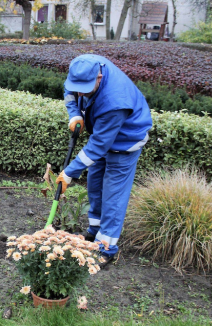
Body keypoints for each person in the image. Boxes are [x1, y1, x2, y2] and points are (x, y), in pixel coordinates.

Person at [56, 54, 153, 268]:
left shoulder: (114, 102)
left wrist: (70, 172)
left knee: (113, 194)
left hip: (126, 140)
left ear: (99, 78)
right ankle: (94, 232)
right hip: (101, 133)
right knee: (95, 183)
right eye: (77, 87)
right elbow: (69, 92)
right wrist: (75, 115)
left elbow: (99, 145)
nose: (80, 92)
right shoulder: (81, 67)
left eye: (85, 88)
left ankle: (105, 248)